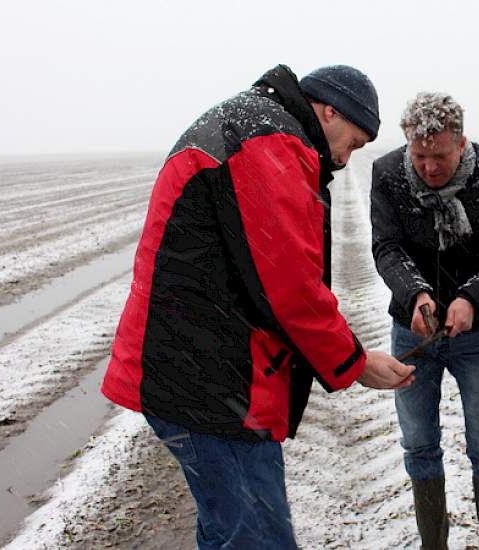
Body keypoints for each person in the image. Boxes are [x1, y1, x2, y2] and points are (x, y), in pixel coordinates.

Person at [100, 63, 415, 550]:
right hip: (208, 384)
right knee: (256, 537)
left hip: (200, 372)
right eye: (352, 142)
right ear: (330, 112)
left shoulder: (255, 125)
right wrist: (353, 362)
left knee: (231, 528)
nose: (347, 158)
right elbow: (289, 287)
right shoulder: (268, 140)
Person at [370, 92, 479, 550]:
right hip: (412, 330)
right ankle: (433, 544)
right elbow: (387, 249)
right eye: (418, 156)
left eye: (439, 155)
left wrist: (471, 298)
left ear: (461, 144)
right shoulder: (387, 175)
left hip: (477, 336)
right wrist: (416, 292)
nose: (429, 167)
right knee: (419, 443)